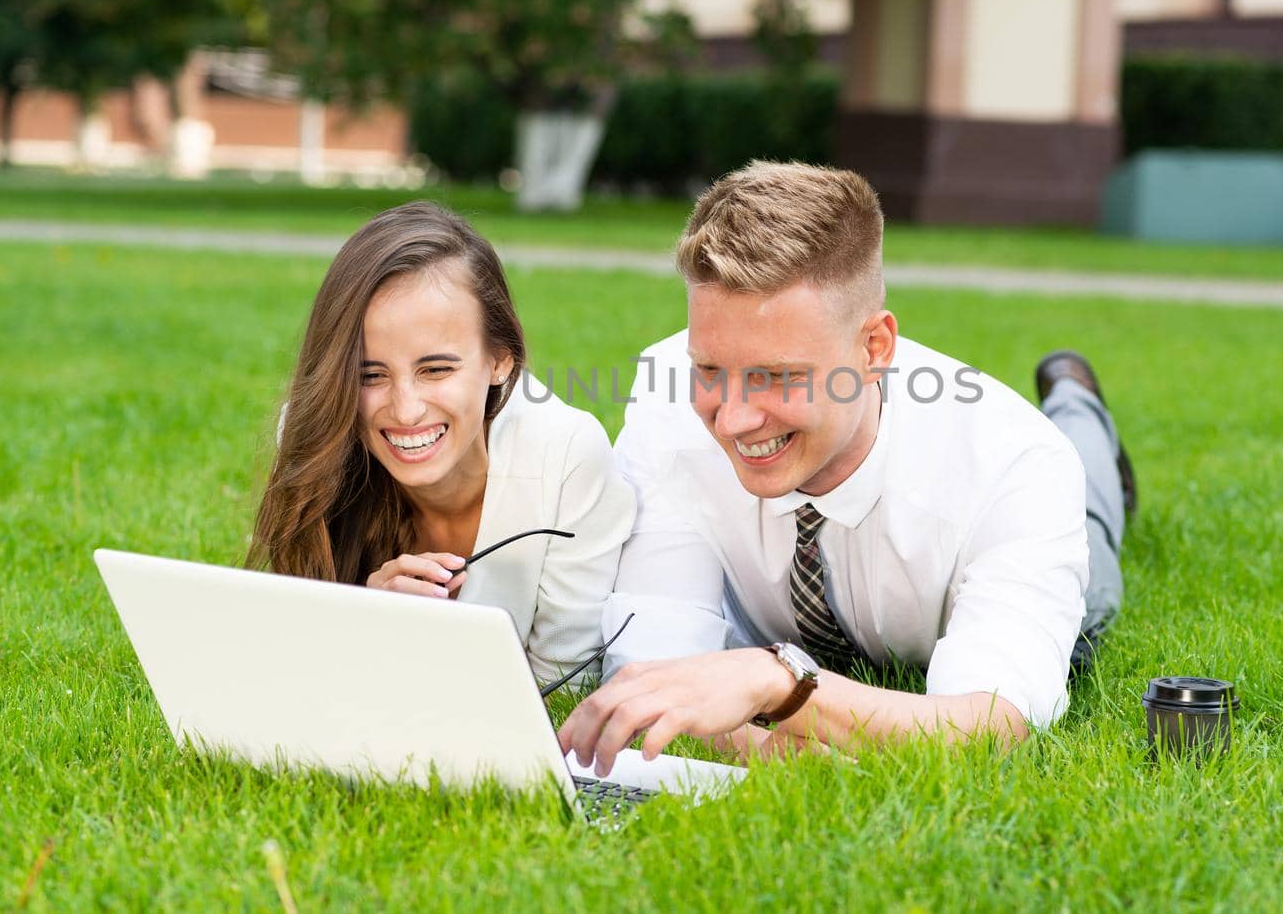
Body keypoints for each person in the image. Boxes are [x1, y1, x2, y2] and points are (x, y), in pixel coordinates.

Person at [558, 162, 1133, 774]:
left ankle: (1077, 400)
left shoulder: (1015, 465)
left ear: (874, 349)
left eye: (774, 377)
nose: (730, 419)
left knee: (1091, 521)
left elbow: (993, 728)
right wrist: (789, 752)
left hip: (1038, 486)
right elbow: (657, 681)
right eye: (708, 371)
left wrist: (783, 685)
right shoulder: (667, 401)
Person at [248, 201, 635, 683]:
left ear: (500, 359)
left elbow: (565, 685)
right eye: (370, 374)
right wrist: (363, 622)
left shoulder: (567, 455)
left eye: (436, 369)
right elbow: (292, 660)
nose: (406, 409)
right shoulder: (317, 436)